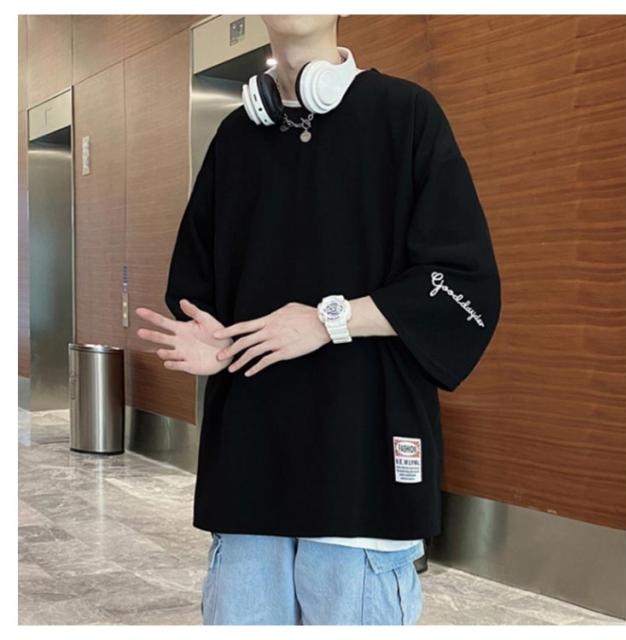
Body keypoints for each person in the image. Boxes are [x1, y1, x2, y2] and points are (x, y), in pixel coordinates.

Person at [136, 14, 501, 625]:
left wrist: (329, 320)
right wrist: (214, 345)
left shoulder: (405, 115)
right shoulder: (235, 137)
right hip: (250, 473)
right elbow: (200, 295)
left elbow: (463, 286)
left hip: (361, 474)